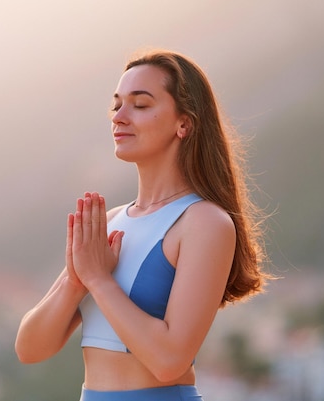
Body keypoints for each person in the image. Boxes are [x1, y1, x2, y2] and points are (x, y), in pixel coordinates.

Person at [15, 49, 270, 401]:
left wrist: (98, 280)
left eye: (140, 104)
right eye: (116, 104)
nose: (119, 116)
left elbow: (169, 361)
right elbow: (30, 349)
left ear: (185, 123)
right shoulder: (108, 223)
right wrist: (76, 282)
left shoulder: (204, 223)